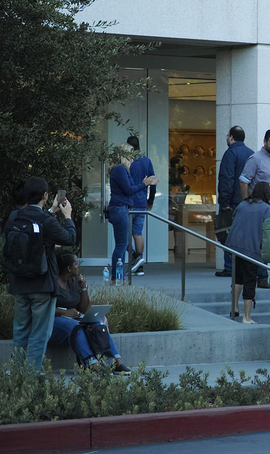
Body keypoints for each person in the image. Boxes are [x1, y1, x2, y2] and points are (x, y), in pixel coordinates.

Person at [7, 176, 77, 370]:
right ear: (45, 195)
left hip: (19, 284)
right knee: (39, 334)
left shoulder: (14, 217)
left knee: (20, 331)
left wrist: (51, 211)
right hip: (42, 285)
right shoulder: (45, 221)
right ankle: (30, 379)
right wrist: (68, 216)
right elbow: (70, 238)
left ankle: (16, 374)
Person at [50, 253, 128, 373]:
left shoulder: (73, 282)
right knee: (77, 328)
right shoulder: (53, 283)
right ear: (69, 268)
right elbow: (45, 309)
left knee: (99, 324)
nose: (78, 267)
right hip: (55, 320)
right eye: (76, 264)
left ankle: (115, 361)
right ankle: (91, 363)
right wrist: (65, 312)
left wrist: (83, 287)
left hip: (74, 317)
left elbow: (83, 308)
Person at [107, 145, 158, 280]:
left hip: (124, 208)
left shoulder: (121, 169)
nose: (133, 157)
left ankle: (120, 275)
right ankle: (118, 277)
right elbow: (129, 189)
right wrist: (144, 184)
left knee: (123, 243)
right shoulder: (120, 169)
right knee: (122, 245)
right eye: (130, 154)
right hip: (120, 208)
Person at [226, 182, 270, 324]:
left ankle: (234, 307)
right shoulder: (266, 208)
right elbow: (268, 230)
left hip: (235, 247)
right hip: (251, 250)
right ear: (266, 194)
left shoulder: (243, 204)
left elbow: (235, 219)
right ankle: (246, 317)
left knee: (238, 278)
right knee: (250, 280)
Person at [216, 126, 253, 277]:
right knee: (245, 236)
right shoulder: (251, 154)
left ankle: (230, 267)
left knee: (228, 234)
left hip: (232, 202)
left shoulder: (230, 153)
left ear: (231, 137)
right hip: (247, 202)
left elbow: (227, 179)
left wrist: (224, 202)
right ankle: (244, 266)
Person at [126, 136, 155, 276]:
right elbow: (153, 182)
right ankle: (140, 264)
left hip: (129, 203)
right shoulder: (146, 161)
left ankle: (135, 258)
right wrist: (150, 201)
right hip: (142, 203)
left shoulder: (127, 162)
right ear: (139, 146)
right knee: (137, 233)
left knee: (124, 234)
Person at [240, 129, 270, 215]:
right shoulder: (255, 159)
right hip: (260, 211)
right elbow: (243, 182)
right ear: (265, 142)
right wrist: (246, 205)